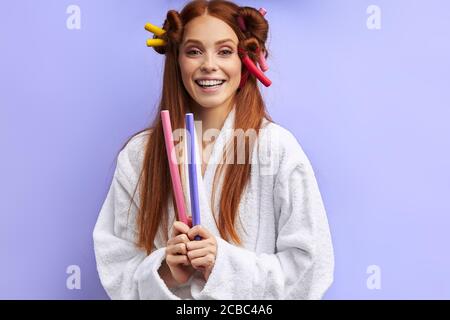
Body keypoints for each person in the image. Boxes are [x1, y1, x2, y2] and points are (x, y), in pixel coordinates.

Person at [93, 0, 334, 300]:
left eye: (224, 51)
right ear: (176, 59)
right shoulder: (139, 154)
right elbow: (115, 265)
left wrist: (224, 264)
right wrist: (165, 270)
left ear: (245, 60)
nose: (209, 64)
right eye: (194, 51)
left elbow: (311, 268)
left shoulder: (277, 149)